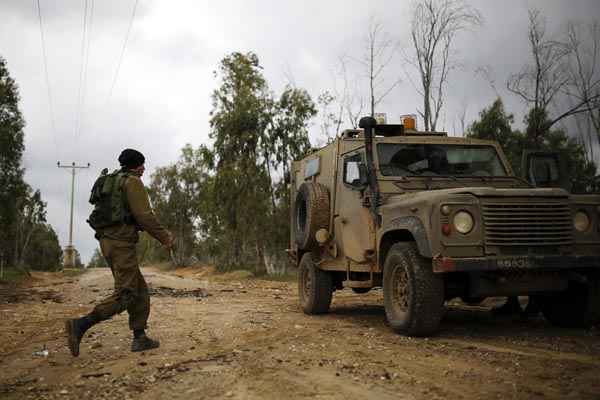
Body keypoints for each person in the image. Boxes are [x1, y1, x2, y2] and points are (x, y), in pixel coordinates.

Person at [65, 149, 173, 357]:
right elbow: (144, 216)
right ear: (136, 165)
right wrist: (165, 237)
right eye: (142, 164)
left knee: (139, 289)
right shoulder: (132, 182)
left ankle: (139, 337)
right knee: (126, 293)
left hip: (107, 241)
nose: (144, 168)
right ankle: (80, 325)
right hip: (121, 243)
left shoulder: (111, 180)